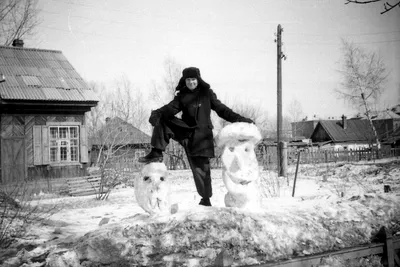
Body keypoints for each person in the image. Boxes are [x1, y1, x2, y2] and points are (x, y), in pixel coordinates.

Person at [139, 67, 254, 206]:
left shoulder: (207, 94)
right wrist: (156, 113)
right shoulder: (182, 96)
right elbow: (170, 109)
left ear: (198, 79)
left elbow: (222, 110)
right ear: (184, 80)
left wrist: (241, 119)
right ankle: (156, 152)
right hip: (186, 131)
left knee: (201, 170)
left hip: (201, 138)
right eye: (188, 80)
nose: (191, 82)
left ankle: (205, 199)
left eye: (193, 79)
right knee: (163, 119)